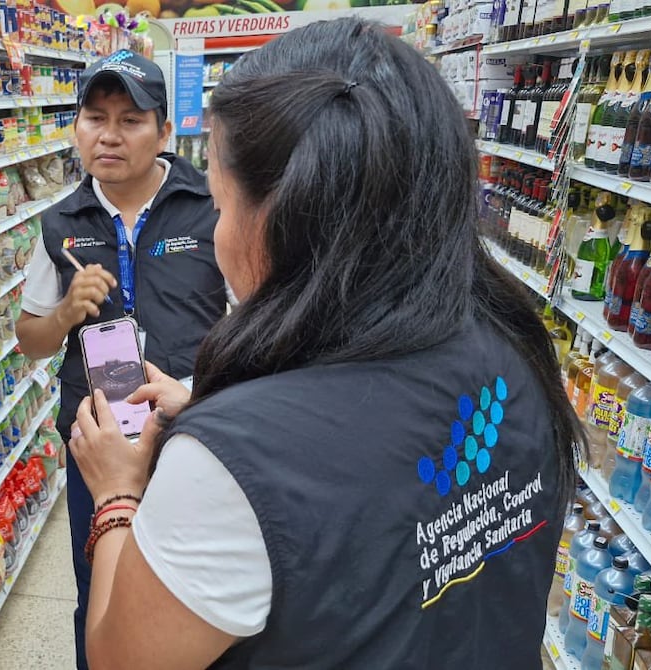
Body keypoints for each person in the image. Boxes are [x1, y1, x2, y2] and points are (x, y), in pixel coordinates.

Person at [68, 18, 583, 670]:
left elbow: (122, 660)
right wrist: (202, 400)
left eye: (222, 208)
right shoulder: (515, 347)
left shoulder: (227, 464)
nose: (217, 233)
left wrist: (118, 494)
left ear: (282, 216)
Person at [14, 49, 226, 669]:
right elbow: (30, 337)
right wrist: (64, 313)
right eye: (94, 116)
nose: (108, 135)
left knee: (196, 586)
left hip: (192, 433)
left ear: (164, 132)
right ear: (76, 126)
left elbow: (253, 318)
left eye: (131, 119)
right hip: (98, 446)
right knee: (99, 593)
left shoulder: (210, 207)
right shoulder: (60, 224)